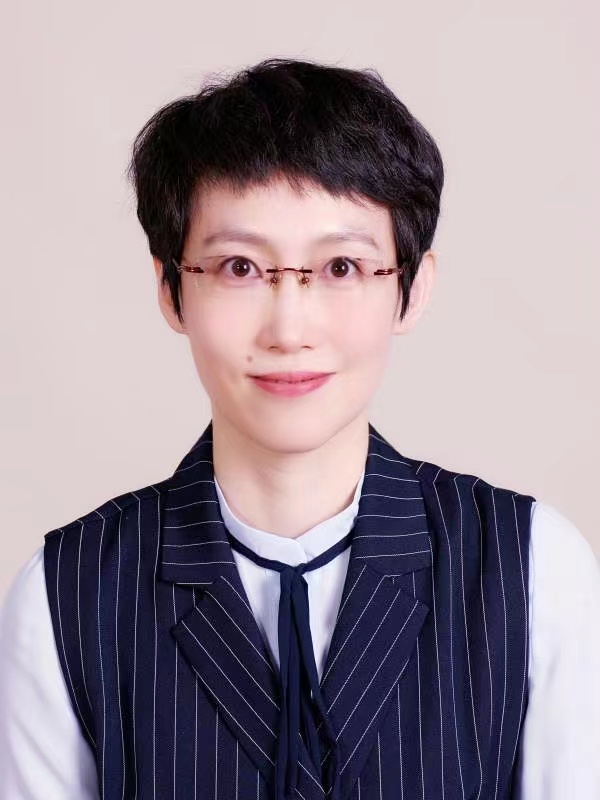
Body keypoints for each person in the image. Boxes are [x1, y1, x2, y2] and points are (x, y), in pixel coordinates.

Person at [1, 58, 599, 800]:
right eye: (240, 268)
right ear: (170, 289)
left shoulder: (532, 570)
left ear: (412, 290)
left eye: (342, 267)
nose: (289, 329)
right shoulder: (67, 595)